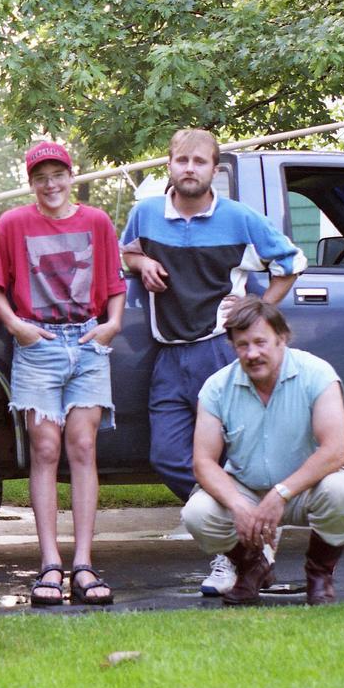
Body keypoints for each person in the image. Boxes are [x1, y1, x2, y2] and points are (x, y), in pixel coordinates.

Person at [120, 127, 307, 596]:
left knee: (230, 459)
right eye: (181, 160)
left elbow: (291, 263)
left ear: (214, 170)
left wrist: (256, 313)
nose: (189, 169)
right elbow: (125, 251)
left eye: (199, 162)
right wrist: (140, 264)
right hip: (168, 354)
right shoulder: (145, 214)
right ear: (168, 165)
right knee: (168, 456)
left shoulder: (240, 218)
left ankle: (234, 558)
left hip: (219, 353)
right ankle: (246, 546)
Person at [0, 141, 126, 606]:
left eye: (58, 175)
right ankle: (49, 562)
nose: (51, 185)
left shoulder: (97, 222)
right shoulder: (13, 224)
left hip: (86, 343)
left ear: (72, 175)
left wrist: (112, 326)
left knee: (83, 446)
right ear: (31, 182)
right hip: (39, 347)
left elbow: (113, 285)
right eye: (41, 177)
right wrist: (15, 327)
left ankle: (84, 562)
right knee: (45, 448)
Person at [181, 296, 344, 605]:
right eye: (242, 345)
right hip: (246, 487)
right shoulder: (216, 387)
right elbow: (204, 462)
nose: (252, 353)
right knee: (198, 514)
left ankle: (319, 575)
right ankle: (253, 567)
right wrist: (238, 505)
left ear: (282, 338)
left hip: (305, 487)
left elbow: (335, 451)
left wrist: (281, 493)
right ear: (232, 346)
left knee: (341, 492)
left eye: (260, 342)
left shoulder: (317, 374)